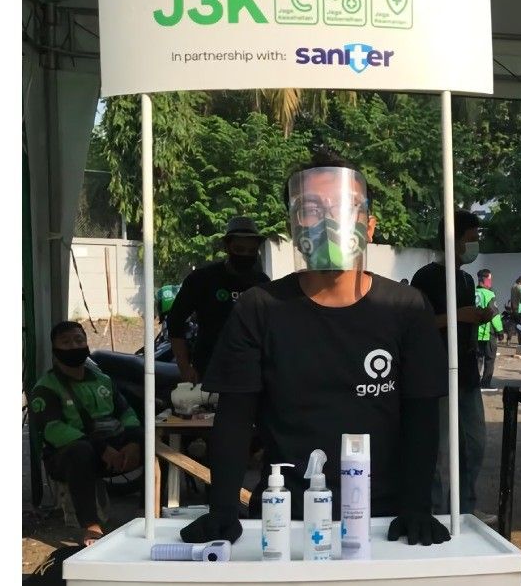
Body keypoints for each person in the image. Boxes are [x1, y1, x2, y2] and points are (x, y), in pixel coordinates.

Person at [181, 151, 452, 547]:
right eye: (310, 210)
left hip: (383, 520)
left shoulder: (406, 308)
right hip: (286, 518)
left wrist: (416, 505)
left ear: (369, 225)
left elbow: (422, 415)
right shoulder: (260, 308)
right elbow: (235, 416)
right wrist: (222, 507)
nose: (329, 223)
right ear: (293, 227)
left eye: (343, 208)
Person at [410, 210, 500, 522]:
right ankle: (433, 511)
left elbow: (463, 322)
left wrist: (478, 318)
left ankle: (464, 509)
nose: (475, 245)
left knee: (473, 444)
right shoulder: (426, 278)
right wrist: (458, 315)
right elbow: (418, 324)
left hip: (467, 374)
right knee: (438, 449)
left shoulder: (466, 279)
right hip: (437, 374)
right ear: (453, 240)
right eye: (471, 239)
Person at [29, 321, 143, 546]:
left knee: (154, 438)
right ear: (55, 350)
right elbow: (54, 430)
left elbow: (127, 413)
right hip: (69, 456)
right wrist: (103, 450)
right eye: (66, 342)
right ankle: (90, 525)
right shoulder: (45, 388)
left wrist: (134, 442)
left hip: (113, 449)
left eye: (79, 340)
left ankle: (148, 512)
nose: (74, 346)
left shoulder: (103, 380)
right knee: (81, 451)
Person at [167, 216, 270, 384]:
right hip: (210, 370)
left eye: (251, 251)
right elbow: (174, 322)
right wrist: (184, 367)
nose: (245, 255)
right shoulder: (202, 279)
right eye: (239, 249)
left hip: (252, 372)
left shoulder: (262, 282)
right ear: (227, 247)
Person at [475, 269, 503, 388]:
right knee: (490, 358)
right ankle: (485, 383)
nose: (491, 282)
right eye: (490, 279)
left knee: (477, 358)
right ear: (485, 280)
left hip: (475, 332)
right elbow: (494, 315)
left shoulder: (474, 293)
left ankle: (475, 383)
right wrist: (500, 331)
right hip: (488, 332)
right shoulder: (489, 294)